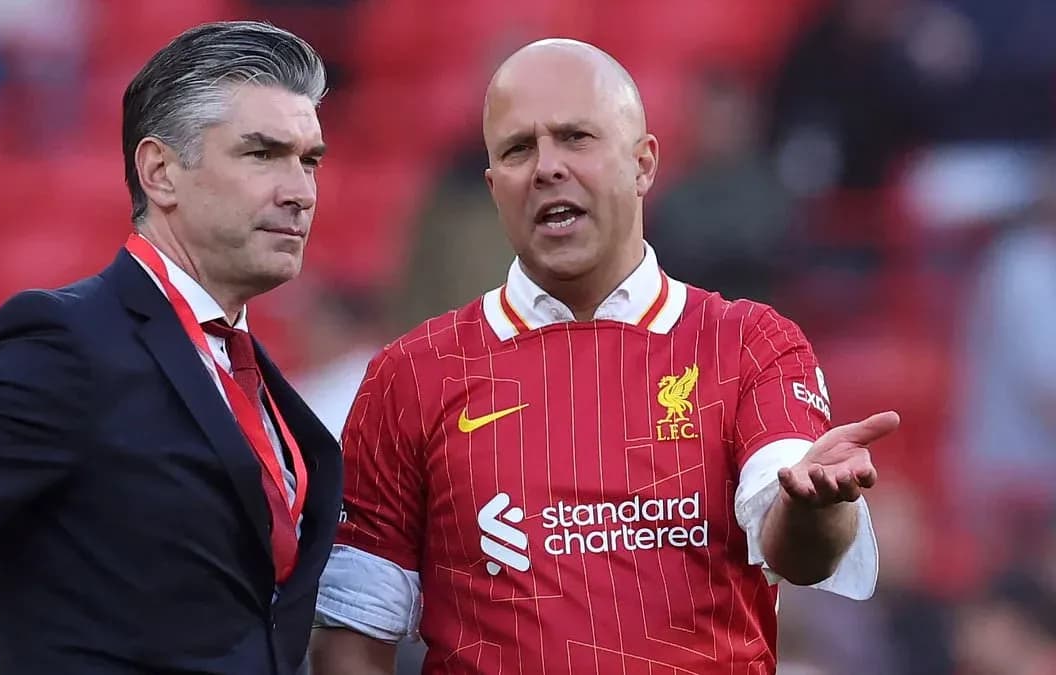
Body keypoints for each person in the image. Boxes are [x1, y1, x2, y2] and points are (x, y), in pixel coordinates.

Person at [309, 38, 896, 673]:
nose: (546, 168)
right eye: (518, 149)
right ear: (494, 186)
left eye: (576, 138)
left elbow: (798, 549)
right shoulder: (411, 375)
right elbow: (352, 635)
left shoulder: (750, 343)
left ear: (644, 164)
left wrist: (816, 506)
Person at [0, 21, 342, 674]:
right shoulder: (67, 344)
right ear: (160, 172)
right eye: (262, 154)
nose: (300, 192)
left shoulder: (249, 375)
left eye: (309, 161)